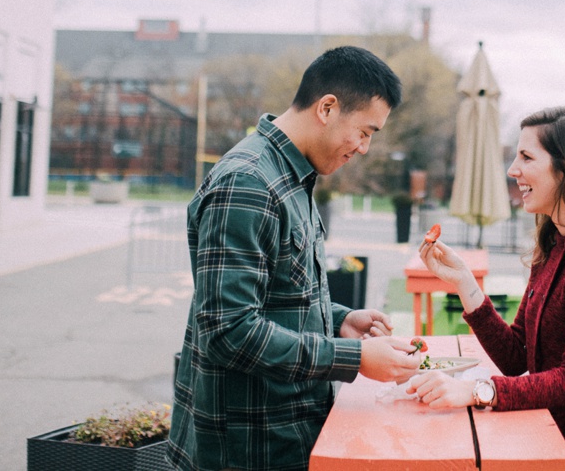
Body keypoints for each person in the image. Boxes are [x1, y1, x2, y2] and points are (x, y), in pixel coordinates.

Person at [168, 46, 422, 471]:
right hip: (247, 449)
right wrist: (354, 358)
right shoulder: (248, 183)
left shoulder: (291, 175)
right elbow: (228, 330)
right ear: (327, 108)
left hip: (285, 434)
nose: (363, 148)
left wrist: (338, 317)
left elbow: (276, 293)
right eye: (365, 131)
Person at [409, 105, 565, 471]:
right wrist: (464, 282)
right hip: (555, 436)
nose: (513, 170)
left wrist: (479, 391)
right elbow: (516, 358)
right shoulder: (555, 240)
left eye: (526, 157)